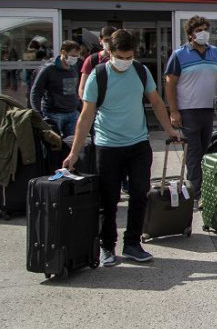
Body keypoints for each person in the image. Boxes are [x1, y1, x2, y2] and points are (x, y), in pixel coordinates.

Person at [63, 29, 181, 267]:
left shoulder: (140, 70)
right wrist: (74, 153)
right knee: (109, 199)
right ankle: (107, 246)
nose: (126, 62)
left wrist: (170, 130)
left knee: (139, 194)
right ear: (110, 52)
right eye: (121, 57)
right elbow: (86, 117)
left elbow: (156, 102)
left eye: (129, 57)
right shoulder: (98, 76)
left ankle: (132, 243)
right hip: (108, 146)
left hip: (138, 144)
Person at [164, 16, 217, 201]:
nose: (203, 33)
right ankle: (196, 192)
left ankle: (203, 186)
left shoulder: (215, 53)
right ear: (190, 34)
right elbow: (170, 84)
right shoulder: (179, 55)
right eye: (198, 30)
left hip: (208, 110)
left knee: (204, 150)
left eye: (205, 29)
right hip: (188, 110)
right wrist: (174, 111)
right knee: (193, 152)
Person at [30, 40, 82, 137]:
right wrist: (37, 113)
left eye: (77, 56)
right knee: (53, 146)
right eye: (72, 55)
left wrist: (79, 108)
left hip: (73, 113)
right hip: (53, 114)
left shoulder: (74, 68)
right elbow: (36, 92)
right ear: (63, 52)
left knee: (71, 144)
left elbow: (75, 90)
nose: (75, 59)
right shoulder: (48, 69)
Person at [79, 26, 117, 98]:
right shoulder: (92, 60)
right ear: (100, 40)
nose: (109, 43)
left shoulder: (123, 59)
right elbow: (82, 88)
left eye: (112, 40)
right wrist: (90, 106)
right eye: (106, 40)